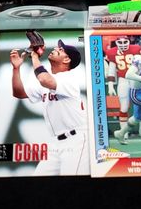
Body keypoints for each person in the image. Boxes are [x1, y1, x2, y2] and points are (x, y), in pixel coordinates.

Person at [10, 37, 89, 176]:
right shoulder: (49, 81)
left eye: (61, 49)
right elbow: (19, 92)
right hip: (55, 143)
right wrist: (16, 68)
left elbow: (43, 79)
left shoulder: (69, 78)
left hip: (76, 140)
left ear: (67, 59)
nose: (56, 49)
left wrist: (34, 57)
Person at [104, 35, 141, 136]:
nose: (123, 45)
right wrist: (110, 85)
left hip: (135, 79)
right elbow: (111, 71)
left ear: (129, 42)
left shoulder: (136, 49)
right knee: (124, 107)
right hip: (123, 80)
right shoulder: (112, 52)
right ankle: (123, 132)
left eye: (125, 42)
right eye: (120, 42)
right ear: (116, 43)